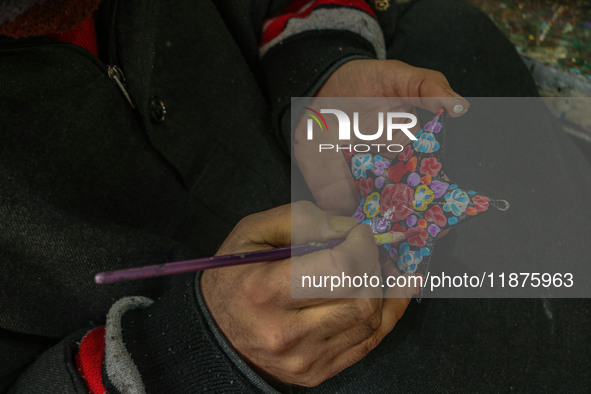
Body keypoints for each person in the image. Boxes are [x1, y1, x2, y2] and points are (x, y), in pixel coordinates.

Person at [1, 0, 590, 393]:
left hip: (310, 145)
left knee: (453, 36)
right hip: (183, 361)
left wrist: (320, 61)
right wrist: (173, 355)